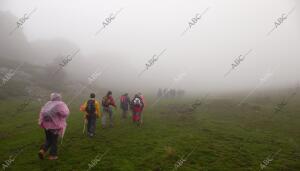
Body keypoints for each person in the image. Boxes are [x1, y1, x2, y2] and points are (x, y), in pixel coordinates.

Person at [38, 93, 70, 160]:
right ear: (59, 97)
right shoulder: (60, 104)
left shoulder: (48, 103)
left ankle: (42, 150)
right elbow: (65, 114)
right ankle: (53, 155)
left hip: (46, 126)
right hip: (55, 126)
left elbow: (42, 113)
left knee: (48, 139)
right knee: (54, 141)